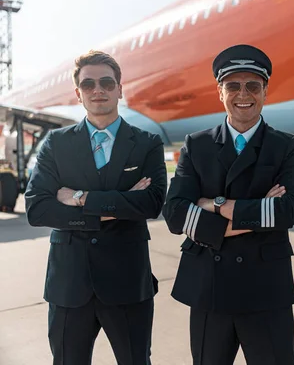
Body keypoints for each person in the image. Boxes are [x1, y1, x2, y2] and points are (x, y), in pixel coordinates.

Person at [162, 44, 294, 365]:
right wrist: (257, 212)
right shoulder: (196, 144)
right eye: (233, 86)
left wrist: (213, 204)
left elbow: (288, 212)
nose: (244, 94)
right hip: (208, 289)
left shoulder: (285, 145)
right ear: (220, 92)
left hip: (266, 290)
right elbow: (174, 215)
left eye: (253, 85)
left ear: (265, 92)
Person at [25, 50, 167, 364]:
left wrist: (79, 198)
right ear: (78, 93)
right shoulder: (56, 143)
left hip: (128, 282)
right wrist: (118, 204)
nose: (97, 90)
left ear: (120, 88)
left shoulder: (146, 143)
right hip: (69, 285)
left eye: (106, 82)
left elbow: (153, 203)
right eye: (88, 84)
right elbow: (37, 209)